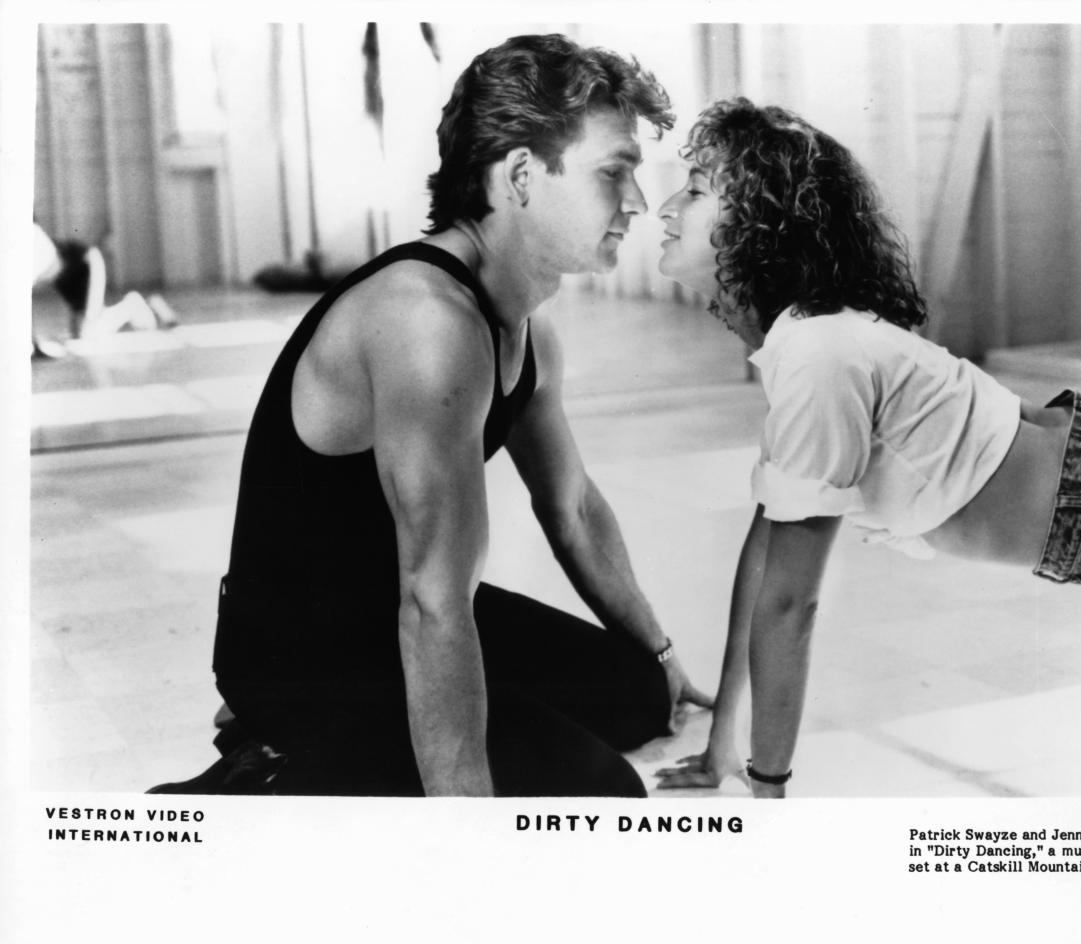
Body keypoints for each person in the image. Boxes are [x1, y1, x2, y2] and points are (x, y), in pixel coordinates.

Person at [149, 34, 710, 799]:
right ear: (520, 175)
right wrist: (464, 837)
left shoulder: (525, 323)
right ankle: (269, 763)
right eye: (614, 173)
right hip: (300, 651)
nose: (639, 203)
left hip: (384, 602)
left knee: (640, 691)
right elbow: (433, 598)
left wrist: (661, 650)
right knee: (602, 791)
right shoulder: (427, 325)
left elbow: (572, 506)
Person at [651, 98, 1081, 799]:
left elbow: (791, 604)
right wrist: (721, 745)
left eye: (698, 189)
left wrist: (770, 790)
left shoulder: (821, 354)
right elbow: (765, 559)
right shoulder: (805, 343)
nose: (667, 206)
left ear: (762, 226)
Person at [31, 221, 177, 358]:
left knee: (87, 333)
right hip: (64, 275)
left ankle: (132, 306)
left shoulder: (27, 238)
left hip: (84, 263)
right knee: (82, 332)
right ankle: (145, 307)